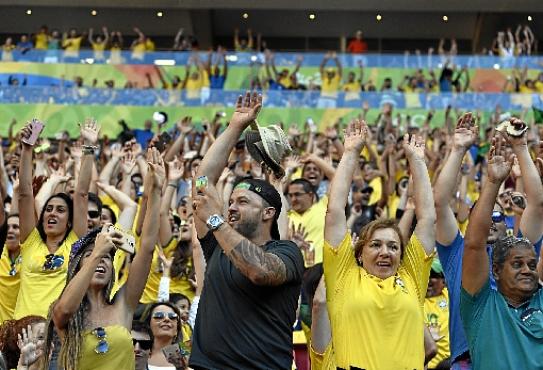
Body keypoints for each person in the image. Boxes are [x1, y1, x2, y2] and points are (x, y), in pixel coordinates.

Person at [189, 92, 304, 369]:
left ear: (268, 214)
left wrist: (216, 221)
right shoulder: (217, 245)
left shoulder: (286, 252)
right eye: (230, 202)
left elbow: (260, 272)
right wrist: (235, 126)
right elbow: (202, 181)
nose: (231, 207)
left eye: (242, 201)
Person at [324, 119, 436, 369]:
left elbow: (427, 218)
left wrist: (417, 162)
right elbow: (334, 210)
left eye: (393, 246)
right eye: (375, 245)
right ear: (360, 253)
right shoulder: (344, 277)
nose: (385, 252)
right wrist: (351, 153)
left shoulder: (412, 278)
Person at [433, 114, 543, 369]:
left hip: (517, 355)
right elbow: (439, 204)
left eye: (497, 215)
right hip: (467, 360)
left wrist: (520, 148)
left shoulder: (521, 254)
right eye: (483, 215)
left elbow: (537, 204)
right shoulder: (457, 250)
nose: (490, 221)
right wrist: (458, 149)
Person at [42, 147, 163, 370]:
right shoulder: (64, 310)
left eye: (108, 258)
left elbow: (146, 249)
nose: (101, 261)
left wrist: (155, 192)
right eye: (89, 257)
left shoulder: (123, 304)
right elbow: (64, 312)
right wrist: (97, 251)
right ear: (77, 268)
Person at [461, 136, 543, 369]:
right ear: (495, 271)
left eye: (531, 263)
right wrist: (493, 182)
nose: (528, 270)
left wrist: (522, 148)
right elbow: (474, 244)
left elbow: (538, 205)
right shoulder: (481, 305)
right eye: (517, 264)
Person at [15, 120, 95, 319]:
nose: (52, 213)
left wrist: (89, 148)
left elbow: (82, 194)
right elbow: (25, 194)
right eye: (49, 209)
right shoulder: (30, 241)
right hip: (22, 333)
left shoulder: (75, 244)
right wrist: (27, 149)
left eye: (60, 210)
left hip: (58, 334)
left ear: (70, 221)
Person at [287, 178, 326, 266]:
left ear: (310, 195)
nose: (293, 199)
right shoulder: (286, 218)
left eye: (297, 194)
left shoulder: (324, 208)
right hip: (296, 271)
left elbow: (337, 178)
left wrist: (317, 162)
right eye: (290, 195)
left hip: (322, 269)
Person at [424, 260, 451, 370]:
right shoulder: (415, 300)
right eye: (426, 275)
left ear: (443, 281)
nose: (429, 280)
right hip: (427, 365)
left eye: (433, 275)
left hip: (451, 363)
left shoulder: (450, 297)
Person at [145, 302, 184, 370]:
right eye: (159, 316)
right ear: (148, 325)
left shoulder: (188, 352)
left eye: (172, 317)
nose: (167, 319)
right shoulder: (136, 351)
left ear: (177, 329)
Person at [0, 215, 21, 323]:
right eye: (7, 227)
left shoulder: (31, 257)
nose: (10, 231)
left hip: (23, 327)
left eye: (15, 227)